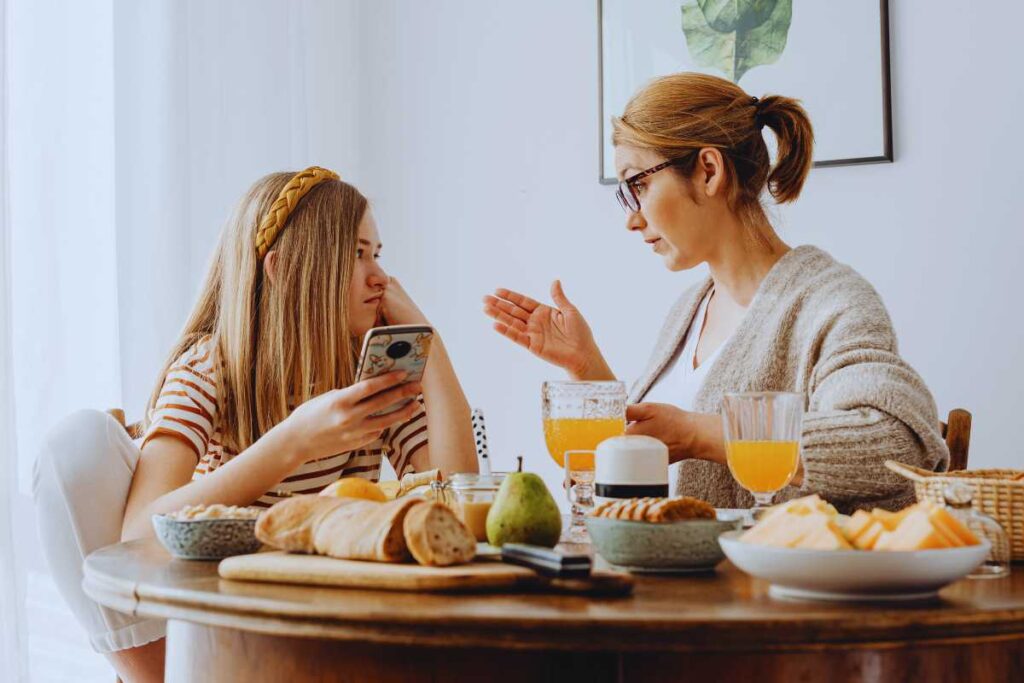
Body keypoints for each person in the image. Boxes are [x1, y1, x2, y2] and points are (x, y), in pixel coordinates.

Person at [34, 167, 477, 682]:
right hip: (219, 628)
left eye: (376, 254)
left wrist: (431, 344)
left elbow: (459, 493)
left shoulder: (365, 376)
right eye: (357, 254)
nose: (380, 277)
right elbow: (138, 536)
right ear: (285, 268)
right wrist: (293, 443)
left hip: (322, 625)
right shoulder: (210, 369)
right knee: (77, 441)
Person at [484, 73, 947, 516]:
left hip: (764, 592)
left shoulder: (832, 304)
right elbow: (654, 454)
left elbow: (896, 444)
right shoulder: (690, 309)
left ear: (708, 170)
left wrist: (699, 434)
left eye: (639, 184)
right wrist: (588, 368)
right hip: (667, 587)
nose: (631, 217)